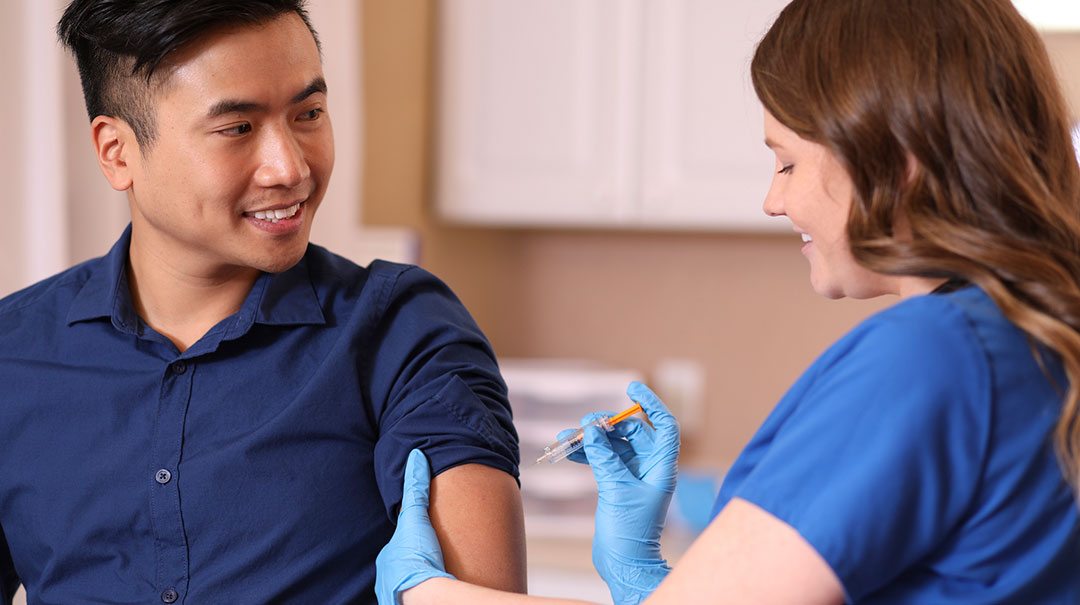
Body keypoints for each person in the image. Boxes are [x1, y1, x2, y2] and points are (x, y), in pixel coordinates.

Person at [374, 0, 1080, 602]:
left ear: (896, 159)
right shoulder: (1031, 342)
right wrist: (649, 575)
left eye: (788, 162)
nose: (774, 200)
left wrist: (430, 590)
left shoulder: (934, 354)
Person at [0, 1, 527, 603]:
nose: (291, 167)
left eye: (308, 113)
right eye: (237, 128)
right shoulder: (11, 354)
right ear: (117, 152)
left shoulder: (400, 332)